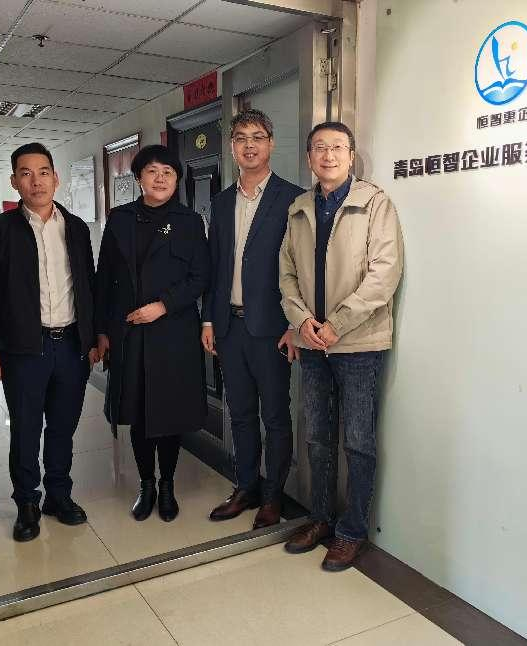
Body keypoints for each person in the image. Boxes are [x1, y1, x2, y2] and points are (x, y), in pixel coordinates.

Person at [279, 122, 404, 571]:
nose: (328, 155)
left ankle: (351, 532)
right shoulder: (299, 208)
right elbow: (286, 274)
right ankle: (320, 519)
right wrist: (302, 321)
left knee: (358, 441)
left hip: (359, 344)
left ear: (351, 156)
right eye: (319, 148)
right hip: (312, 342)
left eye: (337, 147)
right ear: (309, 157)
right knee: (317, 436)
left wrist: (337, 324)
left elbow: (384, 275)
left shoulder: (374, 203)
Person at [0, 142, 98, 542]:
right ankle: (27, 504)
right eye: (26, 173)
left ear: (56, 178)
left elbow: (87, 285)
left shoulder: (77, 227)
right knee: (26, 429)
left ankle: (59, 496)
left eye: (43, 172)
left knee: (63, 427)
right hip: (24, 348)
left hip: (71, 345)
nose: (36, 181)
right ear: (15, 181)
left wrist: (92, 337)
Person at [94, 144, 209, 522]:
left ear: (177, 180)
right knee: (139, 412)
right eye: (152, 171)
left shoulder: (189, 222)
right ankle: (147, 484)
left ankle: (168, 484)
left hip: (173, 332)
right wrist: (102, 331)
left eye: (168, 173)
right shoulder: (120, 219)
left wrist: (163, 305)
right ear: (139, 177)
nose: (160, 179)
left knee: (169, 412)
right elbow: (104, 277)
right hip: (129, 331)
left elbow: (200, 277)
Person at [202, 109, 304, 529]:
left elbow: (303, 267)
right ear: (232, 147)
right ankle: (245, 486)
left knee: (275, 416)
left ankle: (273, 495)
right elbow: (214, 266)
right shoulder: (221, 202)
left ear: (271, 143)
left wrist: (296, 325)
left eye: (258, 137)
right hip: (229, 327)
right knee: (240, 412)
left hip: (273, 329)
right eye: (241, 138)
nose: (249, 145)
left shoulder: (293, 198)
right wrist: (209, 320)